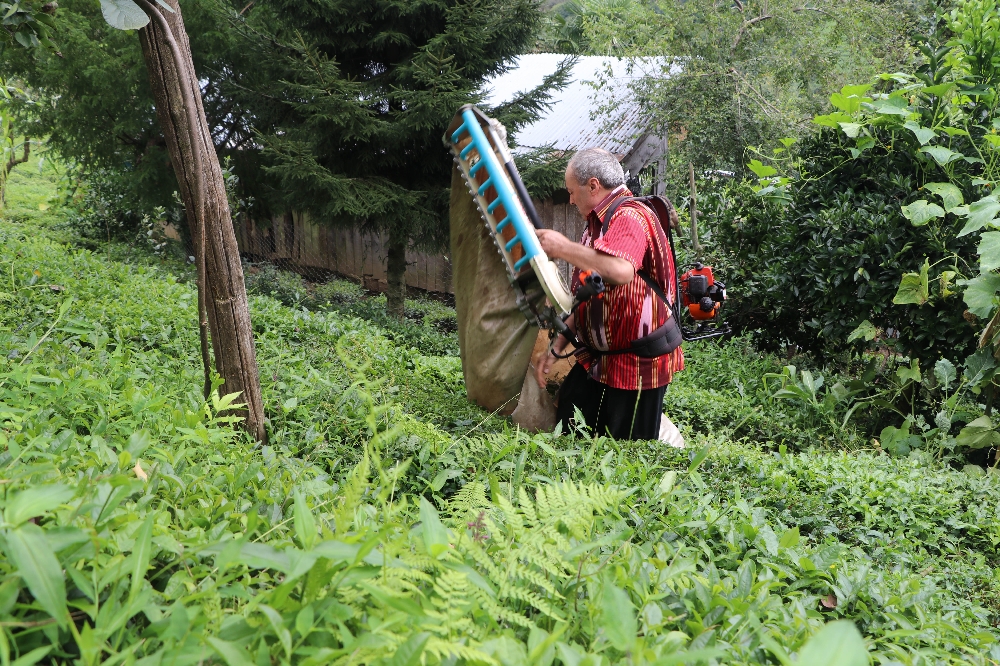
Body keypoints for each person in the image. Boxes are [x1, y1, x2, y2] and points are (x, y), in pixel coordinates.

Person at [534, 147, 684, 440]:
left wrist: (562, 247)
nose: (570, 198)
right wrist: (557, 347)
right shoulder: (595, 228)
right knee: (569, 416)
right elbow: (589, 295)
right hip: (601, 357)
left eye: (572, 191)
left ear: (593, 185)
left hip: (637, 363)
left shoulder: (629, 216)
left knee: (626, 448)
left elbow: (622, 271)